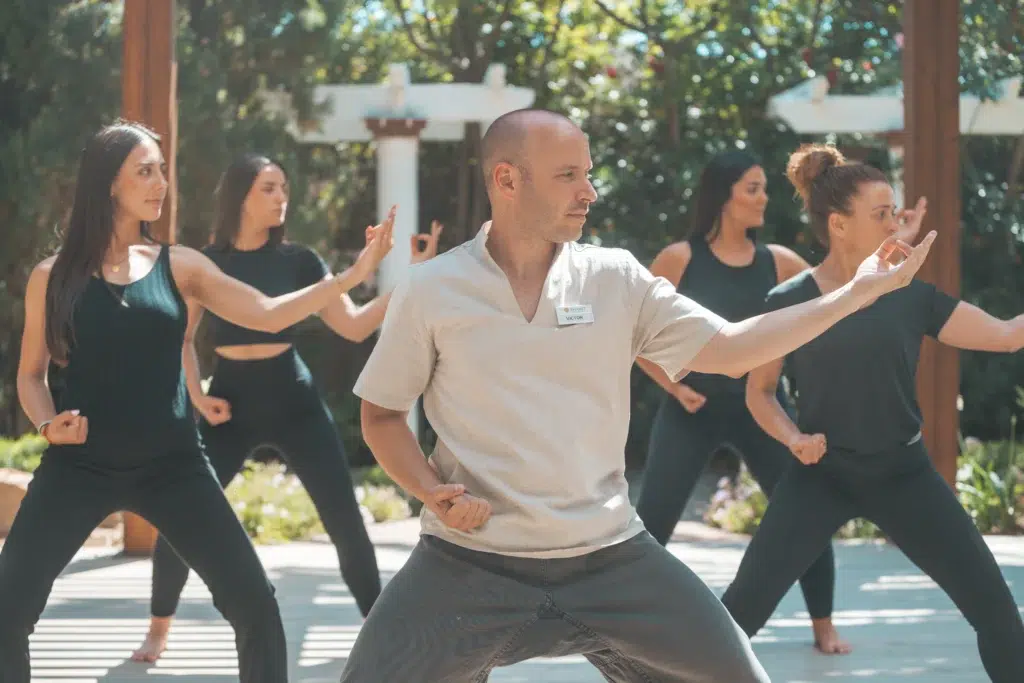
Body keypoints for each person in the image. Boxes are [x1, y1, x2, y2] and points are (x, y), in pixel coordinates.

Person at [337, 108, 936, 682]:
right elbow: (383, 414)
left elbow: (730, 348)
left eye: (588, 172)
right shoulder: (432, 289)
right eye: (568, 175)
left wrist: (857, 293)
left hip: (612, 558)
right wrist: (432, 491)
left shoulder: (615, 277)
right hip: (466, 564)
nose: (589, 191)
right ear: (506, 179)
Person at [5, 120, 392, 682]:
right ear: (108, 184)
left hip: (174, 466)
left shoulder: (179, 265)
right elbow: (31, 377)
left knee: (256, 606)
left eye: (162, 170)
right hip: (78, 466)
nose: (160, 182)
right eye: (145, 171)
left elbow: (265, 312)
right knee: (7, 611)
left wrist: (352, 276)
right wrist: (46, 424)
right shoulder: (52, 276)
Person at [719, 143, 1024, 683]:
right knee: (733, 618)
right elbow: (760, 394)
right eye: (881, 215)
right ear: (839, 224)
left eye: (893, 212)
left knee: (998, 613)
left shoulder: (911, 296)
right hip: (820, 477)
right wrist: (793, 439)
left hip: (903, 475)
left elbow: (1004, 336)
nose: (894, 224)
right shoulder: (788, 299)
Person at [130, 153, 441, 662]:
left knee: (345, 521)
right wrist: (198, 394)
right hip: (228, 405)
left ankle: (386, 637)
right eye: (269, 189)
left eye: (284, 189)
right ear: (241, 197)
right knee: (180, 514)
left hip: (294, 400)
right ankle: (157, 629)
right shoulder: (208, 263)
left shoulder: (300, 260)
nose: (282, 199)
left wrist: (413, 279)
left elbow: (357, 325)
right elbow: (182, 338)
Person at [633, 150, 853, 654]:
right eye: (752, 188)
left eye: (764, 187)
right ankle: (634, 625)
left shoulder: (780, 262)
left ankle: (824, 625)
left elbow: (841, 288)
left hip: (763, 408)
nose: (763, 198)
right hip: (692, 409)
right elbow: (634, 332)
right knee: (651, 523)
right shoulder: (678, 258)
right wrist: (673, 386)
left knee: (807, 508)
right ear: (724, 196)